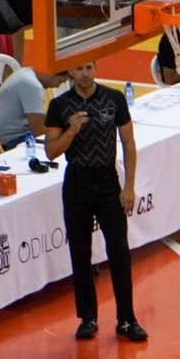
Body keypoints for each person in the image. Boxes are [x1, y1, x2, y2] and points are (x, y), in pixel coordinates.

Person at [46, 62, 147, 343]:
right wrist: (72, 131)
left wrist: (128, 186)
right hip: (77, 183)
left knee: (119, 250)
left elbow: (128, 143)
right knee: (80, 252)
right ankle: (87, 318)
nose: (85, 74)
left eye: (89, 67)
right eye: (78, 69)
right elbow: (52, 151)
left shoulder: (113, 99)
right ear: (70, 74)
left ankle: (127, 319)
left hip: (107, 182)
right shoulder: (59, 105)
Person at [0, 67, 67, 152]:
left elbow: (40, 119)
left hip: (1, 134)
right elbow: (39, 132)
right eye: (60, 81)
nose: (57, 86)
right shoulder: (33, 85)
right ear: (53, 73)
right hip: (9, 140)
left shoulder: (26, 72)